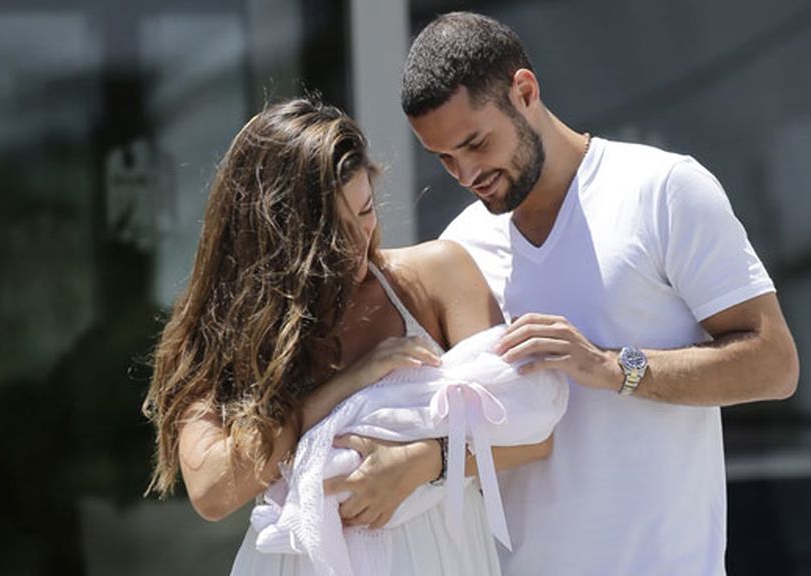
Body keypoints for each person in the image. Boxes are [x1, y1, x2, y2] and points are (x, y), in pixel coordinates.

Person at [338, 11, 800, 576]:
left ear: (524, 91)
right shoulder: (461, 250)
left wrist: (612, 367)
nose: (466, 174)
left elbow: (774, 362)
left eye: (476, 143)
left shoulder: (662, 191)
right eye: (445, 159)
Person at [141, 97, 556, 576]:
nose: (360, 242)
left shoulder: (436, 276)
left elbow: (531, 432)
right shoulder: (221, 331)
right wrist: (347, 385)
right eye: (335, 232)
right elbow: (214, 492)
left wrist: (424, 462)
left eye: (365, 211)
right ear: (278, 237)